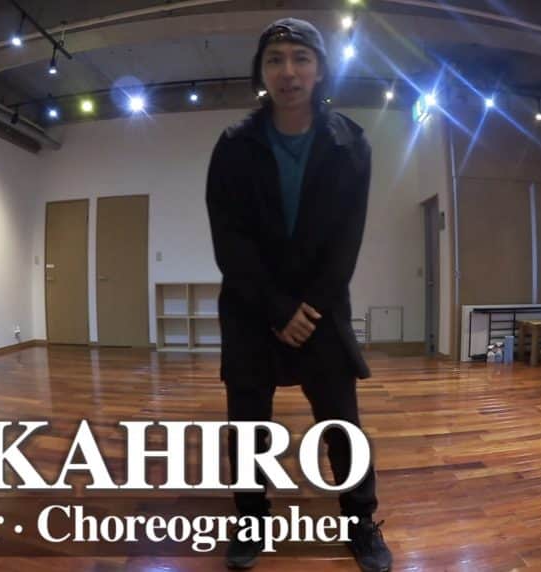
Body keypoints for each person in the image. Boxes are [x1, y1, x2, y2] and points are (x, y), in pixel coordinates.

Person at [205, 17, 392, 572]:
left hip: (320, 306)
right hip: (250, 305)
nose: (288, 71)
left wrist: (306, 309)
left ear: (320, 69)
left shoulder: (351, 142)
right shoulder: (235, 144)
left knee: (341, 423)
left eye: (300, 58)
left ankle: (360, 520)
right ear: (261, 72)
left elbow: (346, 239)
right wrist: (275, 307)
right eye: (275, 59)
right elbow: (228, 237)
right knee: (247, 425)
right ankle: (251, 518)